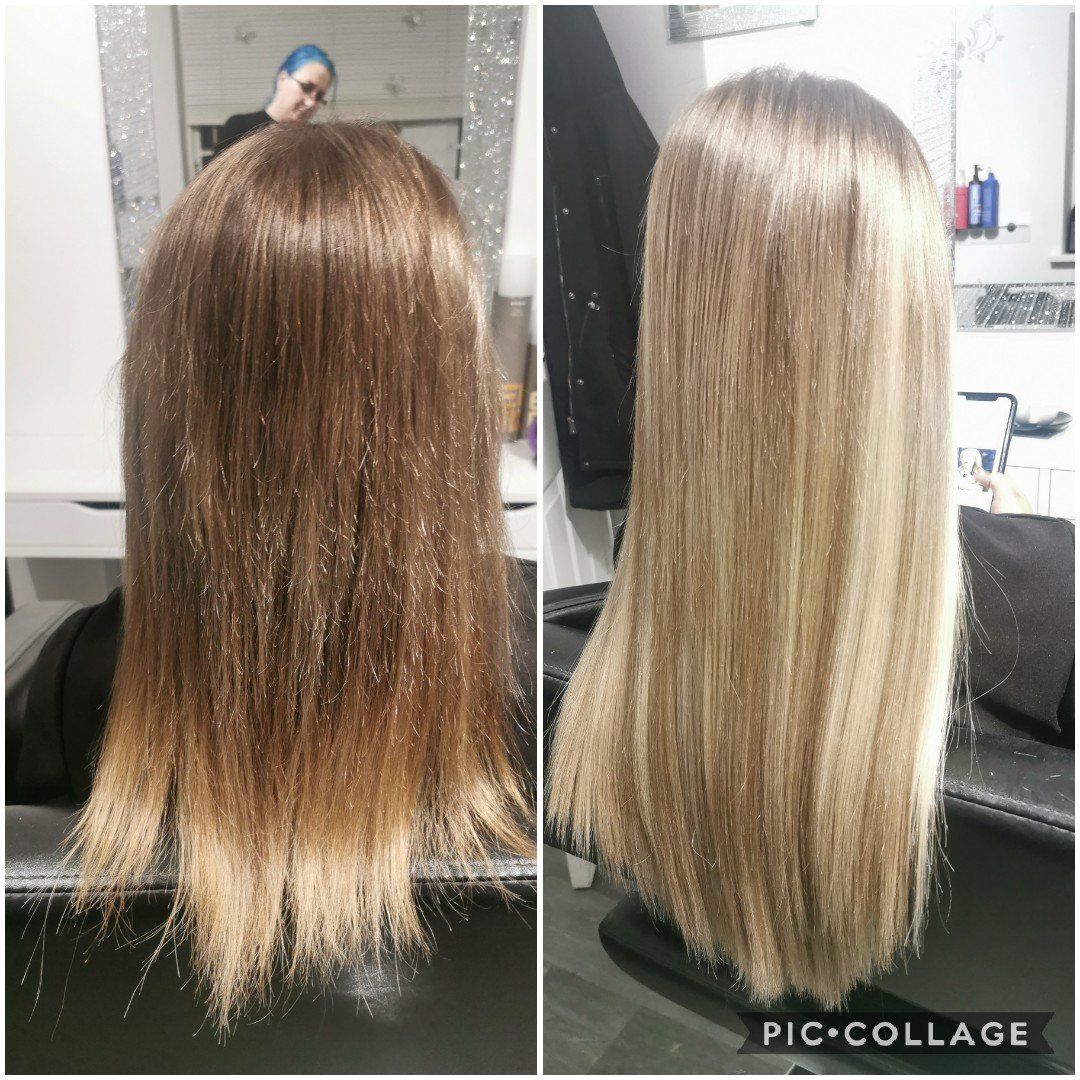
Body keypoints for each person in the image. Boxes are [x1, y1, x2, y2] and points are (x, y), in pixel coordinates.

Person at [211, 44, 335, 159]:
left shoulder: (314, 141)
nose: (311, 103)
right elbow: (217, 175)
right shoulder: (240, 128)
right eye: (306, 87)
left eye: (319, 96)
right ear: (282, 78)